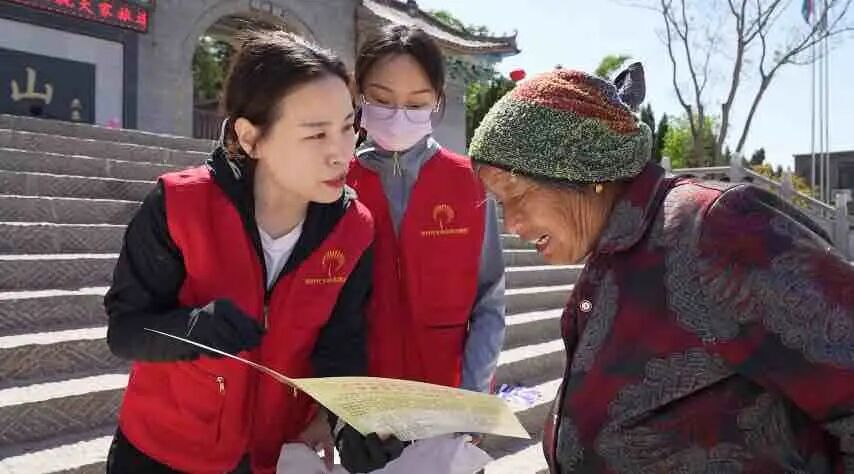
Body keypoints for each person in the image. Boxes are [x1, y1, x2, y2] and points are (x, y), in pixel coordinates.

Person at [469, 64, 854, 473]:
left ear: (581, 169)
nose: (511, 224)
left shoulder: (716, 229)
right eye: (500, 204)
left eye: (517, 196)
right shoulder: (612, 253)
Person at [104, 30, 396, 474]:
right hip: (160, 450)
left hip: (271, 455)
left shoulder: (354, 228)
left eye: (347, 127)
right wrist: (194, 330)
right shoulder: (180, 204)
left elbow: (341, 344)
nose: (342, 154)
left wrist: (349, 422)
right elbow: (125, 330)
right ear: (250, 136)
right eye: (316, 134)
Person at [347, 25, 506, 397]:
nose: (398, 116)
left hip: (447, 395)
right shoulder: (337, 181)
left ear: (436, 101)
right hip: (364, 398)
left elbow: (490, 300)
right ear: (359, 95)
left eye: (416, 104)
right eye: (382, 99)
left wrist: (471, 396)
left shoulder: (469, 182)